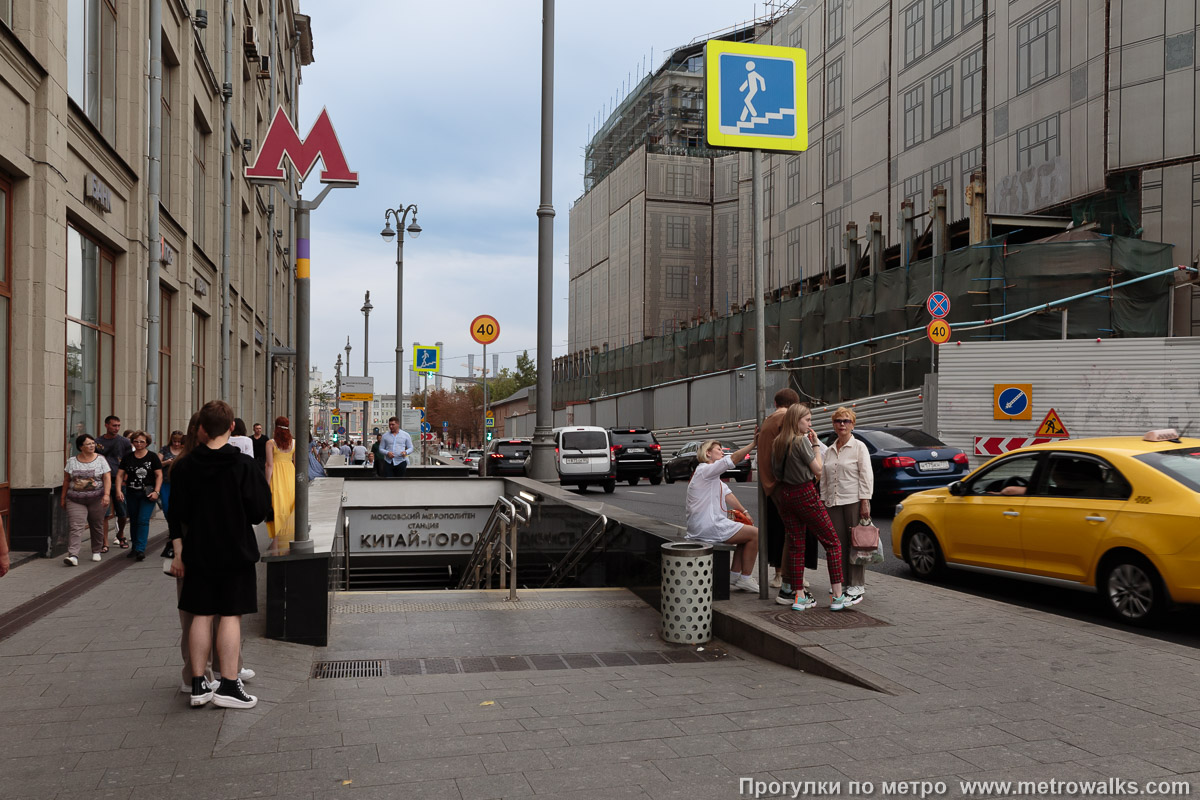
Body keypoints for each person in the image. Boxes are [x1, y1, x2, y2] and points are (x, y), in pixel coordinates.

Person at [168, 400, 270, 709]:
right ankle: (228, 685)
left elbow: (176, 513)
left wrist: (179, 550)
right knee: (229, 615)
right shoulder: (242, 465)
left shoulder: (184, 465)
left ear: (200, 428)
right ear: (230, 428)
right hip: (234, 550)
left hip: (198, 549)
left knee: (200, 613)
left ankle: (199, 683)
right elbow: (258, 513)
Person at [772, 403, 858, 611]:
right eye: (807, 420)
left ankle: (799, 596)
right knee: (833, 542)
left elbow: (776, 473)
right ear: (796, 421)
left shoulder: (778, 442)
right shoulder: (801, 441)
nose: (810, 424)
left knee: (796, 544)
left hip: (785, 495)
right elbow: (817, 469)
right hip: (805, 493)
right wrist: (816, 447)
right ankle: (838, 596)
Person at [758, 387, 818, 605]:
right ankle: (789, 582)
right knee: (793, 535)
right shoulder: (785, 420)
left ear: (775, 403)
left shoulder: (768, 420)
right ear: (795, 407)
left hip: (769, 483)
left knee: (785, 532)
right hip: (784, 484)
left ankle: (787, 579)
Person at [684, 436, 761, 592]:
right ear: (707, 454)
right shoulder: (705, 470)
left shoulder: (711, 476)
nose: (722, 451)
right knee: (756, 535)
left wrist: (745, 512)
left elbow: (728, 495)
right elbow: (732, 459)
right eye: (718, 449)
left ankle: (733, 575)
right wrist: (754, 444)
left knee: (745, 531)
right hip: (708, 526)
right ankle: (745, 578)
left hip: (704, 525)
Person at [820, 407, 874, 602]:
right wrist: (823, 500)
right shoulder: (831, 449)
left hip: (853, 500)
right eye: (838, 421)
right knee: (837, 544)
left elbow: (866, 475)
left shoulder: (859, 447)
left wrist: (865, 501)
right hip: (833, 502)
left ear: (853, 424)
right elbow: (824, 477)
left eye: (846, 421)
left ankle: (857, 584)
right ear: (833, 424)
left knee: (856, 544)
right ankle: (840, 582)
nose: (842, 424)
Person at [59, 433, 110, 565]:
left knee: (96, 525)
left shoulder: (101, 459)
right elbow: (66, 480)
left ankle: (96, 550)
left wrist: (106, 495)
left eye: (93, 443)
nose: (92, 446)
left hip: (97, 498)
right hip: (75, 499)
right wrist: (63, 497)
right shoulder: (72, 461)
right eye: (88, 444)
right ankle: (73, 555)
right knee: (76, 526)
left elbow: (107, 477)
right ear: (81, 447)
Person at [116, 431, 163, 561]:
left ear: (147, 443)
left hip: (147, 494)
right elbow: (120, 474)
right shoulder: (128, 457)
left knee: (143, 520)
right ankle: (135, 548)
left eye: (142, 441)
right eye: (136, 441)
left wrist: (157, 491)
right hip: (131, 492)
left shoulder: (152, 457)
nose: (139, 444)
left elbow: (159, 475)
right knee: (134, 520)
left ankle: (141, 549)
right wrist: (119, 490)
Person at [94, 415, 131, 551]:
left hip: (119, 480)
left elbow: (129, 462)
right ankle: (104, 542)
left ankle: (120, 534)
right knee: (104, 513)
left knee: (122, 512)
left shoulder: (124, 442)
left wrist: (125, 480)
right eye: (114, 425)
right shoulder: (97, 442)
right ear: (106, 425)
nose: (116, 428)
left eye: (118, 425)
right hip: (102, 481)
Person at [265, 416, 296, 552]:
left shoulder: (270, 443)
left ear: (276, 426)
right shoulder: (294, 443)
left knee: (277, 506)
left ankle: (276, 541)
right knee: (289, 507)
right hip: (290, 475)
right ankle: (289, 539)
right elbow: (296, 462)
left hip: (277, 476)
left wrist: (266, 484)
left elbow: (269, 465)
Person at [158, 430, 185, 517]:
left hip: (180, 482)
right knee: (166, 505)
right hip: (166, 482)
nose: (176, 444)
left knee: (179, 505)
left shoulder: (185, 450)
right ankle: (170, 521)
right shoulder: (165, 449)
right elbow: (157, 464)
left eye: (179, 442)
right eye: (174, 441)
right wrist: (166, 462)